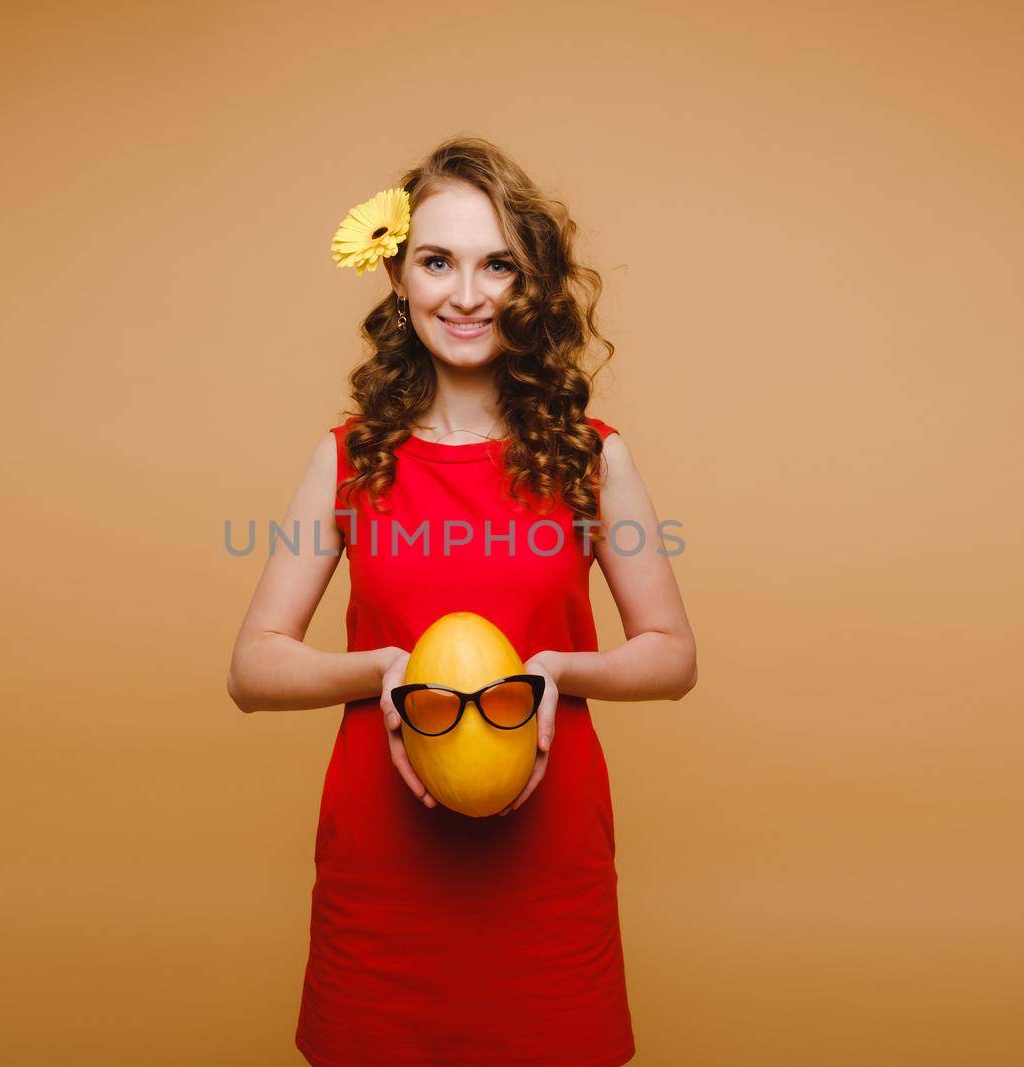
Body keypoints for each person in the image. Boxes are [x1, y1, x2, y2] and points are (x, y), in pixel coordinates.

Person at [226, 135, 697, 1067]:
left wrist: (559, 669)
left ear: (532, 287)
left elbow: (672, 652)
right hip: (383, 877)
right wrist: (388, 674)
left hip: (547, 872)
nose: (467, 294)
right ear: (398, 275)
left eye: (498, 266)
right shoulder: (349, 458)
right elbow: (253, 664)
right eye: (438, 261)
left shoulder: (592, 460)